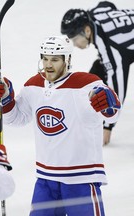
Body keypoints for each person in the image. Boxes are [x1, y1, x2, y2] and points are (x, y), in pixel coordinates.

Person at [0, 36, 121, 215]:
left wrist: (108, 103)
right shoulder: (33, 86)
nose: (48, 64)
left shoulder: (87, 84)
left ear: (68, 60)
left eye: (55, 60)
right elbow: (15, 118)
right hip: (46, 179)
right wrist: (4, 99)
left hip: (81, 178)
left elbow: (112, 116)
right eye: (45, 58)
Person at [60, 1, 134, 145]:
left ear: (87, 31)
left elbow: (118, 85)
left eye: (75, 39)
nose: (74, 44)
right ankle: (83, 103)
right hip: (123, 41)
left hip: (121, 46)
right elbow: (107, 5)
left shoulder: (111, 47)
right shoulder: (93, 14)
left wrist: (108, 126)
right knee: (100, 67)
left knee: (107, 66)